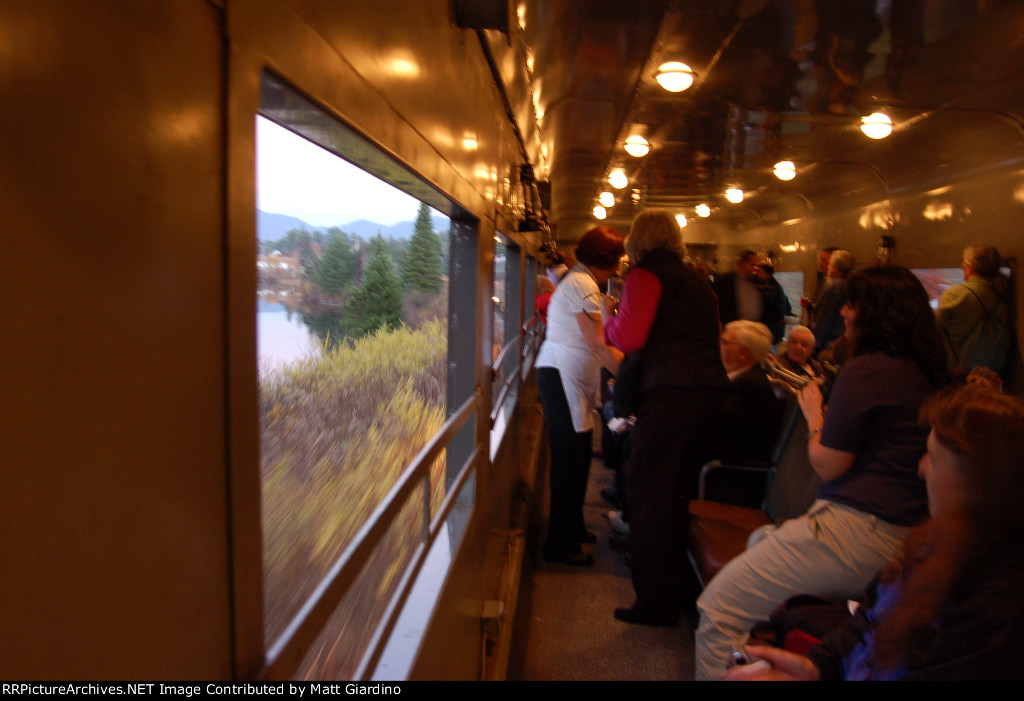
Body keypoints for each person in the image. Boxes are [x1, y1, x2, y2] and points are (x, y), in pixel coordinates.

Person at [695, 265, 949, 679]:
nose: (845, 312)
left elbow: (829, 464)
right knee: (762, 538)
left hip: (856, 532)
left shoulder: (867, 369)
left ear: (873, 312)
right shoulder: (924, 371)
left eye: (852, 304)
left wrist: (815, 415)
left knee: (719, 608)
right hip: (904, 536)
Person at [726, 382, 1024, 681]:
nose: (921, 468)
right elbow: (865, 626)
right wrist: (815, 667)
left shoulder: (997, 610)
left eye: (933, 458)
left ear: (976, 487)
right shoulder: (931, 546)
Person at [603, 208, 727, 626]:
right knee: (679, 495)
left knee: (649, 496)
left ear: (637, 239)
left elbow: (631, 337)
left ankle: (655, 603)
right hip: (709, 395)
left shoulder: (644, 276)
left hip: (669, 394)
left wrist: (608, 321)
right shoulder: (698, 281)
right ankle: (682, 593)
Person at [536, 226, 625, 566]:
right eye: (617, 262)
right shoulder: (583, 284)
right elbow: (596, 341)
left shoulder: (581, 281)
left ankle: (571, 528)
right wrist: (628, 377)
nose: (618, 270)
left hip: (569, 375)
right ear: (609, 261)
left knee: (579, 455)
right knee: (569, 460)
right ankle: (559, 546)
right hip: (563, 375)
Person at [935, 243, 1012, 376]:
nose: (962, 265)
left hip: (958, 371)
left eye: (963, 261)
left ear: (971, 266)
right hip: (991, 373)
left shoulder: (956, 293)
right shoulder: (1002, 295)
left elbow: (933, 329)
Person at [715, 320, 785, 464]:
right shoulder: (749, 379)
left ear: (743, 353)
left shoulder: (749, 387)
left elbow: (714, 428)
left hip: (727, 472)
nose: (719, 346)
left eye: (724, 342)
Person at [811, 249, 855, 353]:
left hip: (829, 345)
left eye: (829, 264)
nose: (827, 267)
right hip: (845, 343)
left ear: (834, 269)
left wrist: (813, 345)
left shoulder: (835, 286)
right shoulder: (854, 283)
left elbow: (824, 318)